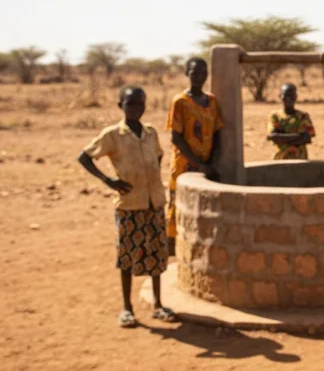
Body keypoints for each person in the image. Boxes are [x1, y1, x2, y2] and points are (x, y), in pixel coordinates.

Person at [78, 86, 176, 328]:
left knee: (156, 254)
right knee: (126, 256)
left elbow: (159, 155)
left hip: (154, 202)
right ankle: (127, 308)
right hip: (130, 204)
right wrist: (108, 180)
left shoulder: (150, 132)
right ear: (120, 105)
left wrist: (150, 177)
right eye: (131, 104)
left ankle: (158, 305)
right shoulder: (112, 135)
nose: (136, 109)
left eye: (140, 104)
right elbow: (84, 157)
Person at [166, 57, 223, 256]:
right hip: (186, 164)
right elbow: (176, 137)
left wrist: (212, 162)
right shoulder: (180, 102)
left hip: (207, 164)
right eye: (194, 73)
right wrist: (198, 164)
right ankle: (173, 253)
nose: (199, 77)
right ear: (186, 74)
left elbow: (217, 133)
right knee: (177, 205)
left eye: (202, 73)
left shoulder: (212, 101)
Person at [268, 83, 316, 160]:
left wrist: (283, 138)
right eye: (286, 95)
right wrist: (299, 137)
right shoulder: (275, 116)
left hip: (300, 159)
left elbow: (307, 138)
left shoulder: (303, 116)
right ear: (280, 96)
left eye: (291, 96)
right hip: (280, 159)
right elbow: (274, 137)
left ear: (296, 97)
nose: (288, 99)